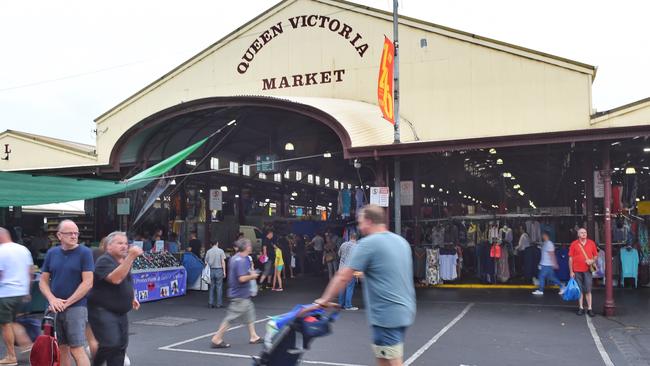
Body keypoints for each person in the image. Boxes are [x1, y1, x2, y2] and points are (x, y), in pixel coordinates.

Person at [315, 205, 416, 366]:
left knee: (392, 361)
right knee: (384, 358)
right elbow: (389, 271)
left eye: (360, 222)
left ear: (369, 221)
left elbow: (343, 276)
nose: (359, 227)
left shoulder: (369, 243)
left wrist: (324, 299)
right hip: (404, 310)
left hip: (386, 316)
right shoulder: (401, 242)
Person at [39, 219, 94, 366]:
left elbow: (88, 282)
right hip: (54, 307)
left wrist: (66, 302)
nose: (74, 236)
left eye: (76, 233)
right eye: (70, 233)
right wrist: (52, 299)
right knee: (60, 349)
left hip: (76, 308)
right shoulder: (52, 253)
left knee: (76, 349)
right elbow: (43, 281)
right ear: (59, 235)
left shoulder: (85, 253)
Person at [88, 231, 142, 366]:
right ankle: (96, 362)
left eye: (126, 243)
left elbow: (127, 280)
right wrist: (131, 257)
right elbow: (115, 279)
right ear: (109, 246)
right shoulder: (104, 260)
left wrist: (132, 296)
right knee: (111, 343)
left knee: (121, 346)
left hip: (120, 312)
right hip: (102, 310)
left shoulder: (123, 261)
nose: (124, 246)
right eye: (120, 243)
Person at [210, 239, 262, 348]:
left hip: (241, 294)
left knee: (250, 313)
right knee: (231, 318)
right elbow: (242, 278)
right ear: (246, 247)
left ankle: (254, 336)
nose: (251, 246)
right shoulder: (242, 260)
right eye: (249, 245)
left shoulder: (236, 258)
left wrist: (250, 273)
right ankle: (217, 338)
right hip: (240, 295)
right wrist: (252, 276)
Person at [0, 227, 33, 366]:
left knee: (5, 324)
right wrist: (28, 291)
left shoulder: (1, 251)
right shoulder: (23, 249)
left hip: (6, 293)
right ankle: (27, 344)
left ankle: (11, 356)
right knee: (13, 321)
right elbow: (30, 271)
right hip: (21, 292)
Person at [569, 228, 599, 317]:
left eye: (585, 232)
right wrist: (571, 271)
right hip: (577, 270)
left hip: (587, 270)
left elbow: (596, 256)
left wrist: (592, 261)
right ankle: (581, 308)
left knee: (588, 290)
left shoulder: (591, 243)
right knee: (580, 290)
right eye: (581, 233)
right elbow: (570, 258)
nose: (584, 234)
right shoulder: (574, 244)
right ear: (578, 235)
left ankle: (590, 308)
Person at [532, 232, 565, 296]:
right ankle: (562, 286)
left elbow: (552, 254)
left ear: (546, 235)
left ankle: (541, 290)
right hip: (545, 264)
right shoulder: (545, 243)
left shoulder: (549, 244)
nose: (542, 236)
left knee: (541, 276)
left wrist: (555, 263)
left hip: (547, 264)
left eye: (543, 235)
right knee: (552, 278)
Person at [337, 233, 358, 310]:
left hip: (341, 269)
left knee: (342, 287)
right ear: (356, 238)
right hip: (350, 270)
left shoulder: (343, 244)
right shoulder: (357, 246)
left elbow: (339, 254)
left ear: (350, 237)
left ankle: (340, 304)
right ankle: (348, 305)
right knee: (349, 287)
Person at [205, 241, 226, 308]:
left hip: (211, 270)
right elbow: (223, 262)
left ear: (211, 244)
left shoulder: (208, 251)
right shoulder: (221, 251)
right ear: (217, 243)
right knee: (219, 287)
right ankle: (219, 304)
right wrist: (224, 271)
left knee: (211, 287)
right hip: (219, 270)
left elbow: (206, 262)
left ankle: (210, 303)